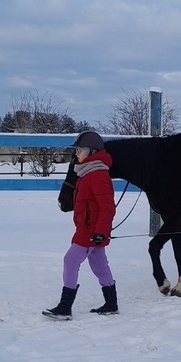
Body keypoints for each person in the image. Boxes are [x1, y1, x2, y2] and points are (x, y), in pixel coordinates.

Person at [42, 131, 118, 320]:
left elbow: (107, 207)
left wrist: (101, 231)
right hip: (88, 228)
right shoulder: (87, 172)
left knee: (70, 261)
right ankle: (111, 304)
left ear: (91, 152)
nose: (76, 154)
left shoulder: (97, 175)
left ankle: (65, 307)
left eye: (79, 150)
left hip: (90, 231)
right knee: (99, 265)